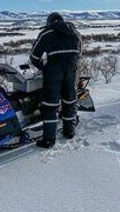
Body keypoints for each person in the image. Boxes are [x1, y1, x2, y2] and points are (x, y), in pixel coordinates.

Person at [29, 12, 82, 149]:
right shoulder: (75, 33)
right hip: (73, 70)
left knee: (50, 105)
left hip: (54, 71)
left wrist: (43, 67)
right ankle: (69, 132)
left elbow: (34, 56)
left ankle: (49, 140)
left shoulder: (46, 34)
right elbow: (79, 53)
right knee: (70, 102)